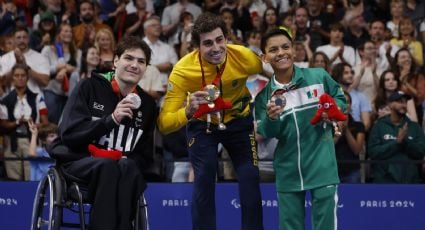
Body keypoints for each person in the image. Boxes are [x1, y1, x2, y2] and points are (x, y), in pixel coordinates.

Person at [157, 12, 263, 230]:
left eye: (219, 40)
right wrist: (187, 111)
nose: (216, 48)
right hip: (202, 124)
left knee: (250, 177)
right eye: (207, 43)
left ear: (227, 37)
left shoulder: (245, 58)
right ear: (197, 46)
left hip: (239, 122)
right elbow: (164, 123)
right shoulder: (182, 70)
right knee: (204, 176)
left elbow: (267, 72)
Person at [49, 35, 157, 229]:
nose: (135, 65)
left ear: (146, 68)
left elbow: (145, 157)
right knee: (109, 166)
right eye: (129, 58)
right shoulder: (88, 87)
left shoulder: (148, 105)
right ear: (116, 61)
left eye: (141, 61)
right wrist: (111, 120)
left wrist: (126, 159)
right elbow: (70, 134)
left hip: (118, 171)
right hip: (79, 162)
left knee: (129, 167)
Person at [255, 27, 346, 230]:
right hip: (288, 170)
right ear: (264, 57)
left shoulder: (319, 77)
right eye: (274, 49)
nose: (281, 53)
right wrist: (271, 118)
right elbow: (268, 132)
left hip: (322, 165)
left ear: (294, 51)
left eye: (286, 47)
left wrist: (333, 111)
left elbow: (340, 99)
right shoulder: (264, 97)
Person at [0, 63, 49, 181]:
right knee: (13, 180)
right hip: (11, 142)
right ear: (12, 78)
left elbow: (46, 123)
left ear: (27, 77)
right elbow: (2, 124)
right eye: (17, 75)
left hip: (31, 141)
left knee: (32, 177)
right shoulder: (5, 100)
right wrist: (18, 122)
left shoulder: (38, 97)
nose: (20, 78)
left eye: (23, 75)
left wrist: (32, 124)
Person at [368, 91, 425, 183]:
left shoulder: (414, 127)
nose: (403, 105)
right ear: (390, 104)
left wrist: (405, 141)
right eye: (399, 101)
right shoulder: (379, 126)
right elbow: (373, 152)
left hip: (410, 183)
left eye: (405, 102)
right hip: (384, 182)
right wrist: (396, 142)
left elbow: (421, 152)